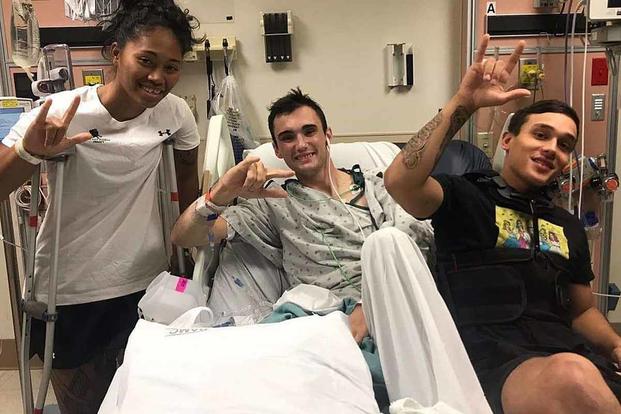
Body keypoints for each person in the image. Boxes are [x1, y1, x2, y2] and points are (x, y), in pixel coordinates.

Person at [171, 88, 495, 412]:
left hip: (389, 309)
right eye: (287, 137)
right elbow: (186, 236)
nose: (301, 144)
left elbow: (416, 247)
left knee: (387, 242)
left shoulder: (377, 186)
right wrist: (219, 194)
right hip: (320, 322)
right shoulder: (271, 204)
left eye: (309, 131)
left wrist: (371, 306)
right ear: (277, 150)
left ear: (328, 135)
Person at [384, 34, 621, 414]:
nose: (552, 149)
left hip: (570, 353)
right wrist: (463, 103)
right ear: (508, 140)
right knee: (571, 378)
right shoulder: (464, 198)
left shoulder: (567, 226)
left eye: (564, 144)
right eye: (541, 134)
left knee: (577, 374)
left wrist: (614, 345)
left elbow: (581, 311)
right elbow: (400, 182)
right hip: (493, 363)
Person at [0, 1, 201, 411]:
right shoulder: (59, 113)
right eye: (146, 60)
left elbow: (189, 195)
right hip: (71, 291)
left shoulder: (175, 114)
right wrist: (29, 151)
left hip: (147, 286)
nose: (158, 77)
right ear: (115, 53)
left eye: (171, 66)